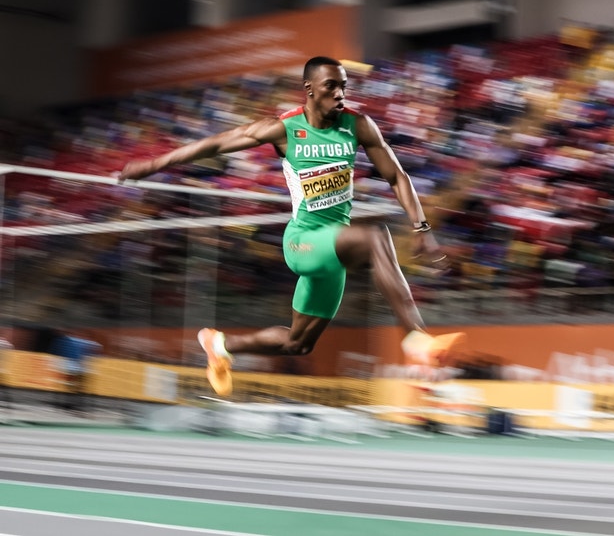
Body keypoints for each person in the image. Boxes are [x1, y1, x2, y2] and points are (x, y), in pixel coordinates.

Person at [119, 56, 465, 396]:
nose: (340, 94)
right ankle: (417, 342)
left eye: (344, 86)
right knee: (376, 237)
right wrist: (152, 165)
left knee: (297, 344)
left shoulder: (357, 125)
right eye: (331, 86)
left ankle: (220, 345)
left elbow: (396, 175)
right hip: (304, 242)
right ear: (309, 89)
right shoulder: (284, 128)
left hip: (332, 251)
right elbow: (216, 143)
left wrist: (422, 229)